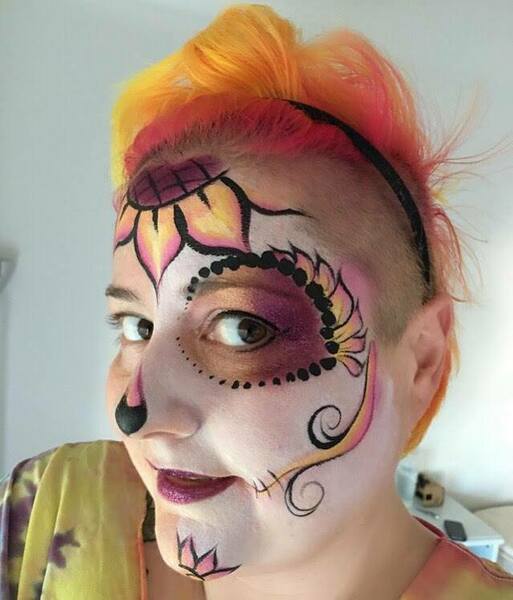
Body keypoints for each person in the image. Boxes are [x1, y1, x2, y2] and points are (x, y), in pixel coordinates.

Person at [1, 4, 512, 599]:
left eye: (244, 328)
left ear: (422, 360)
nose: (133, 412)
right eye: (136, 325)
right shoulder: (48, 507)